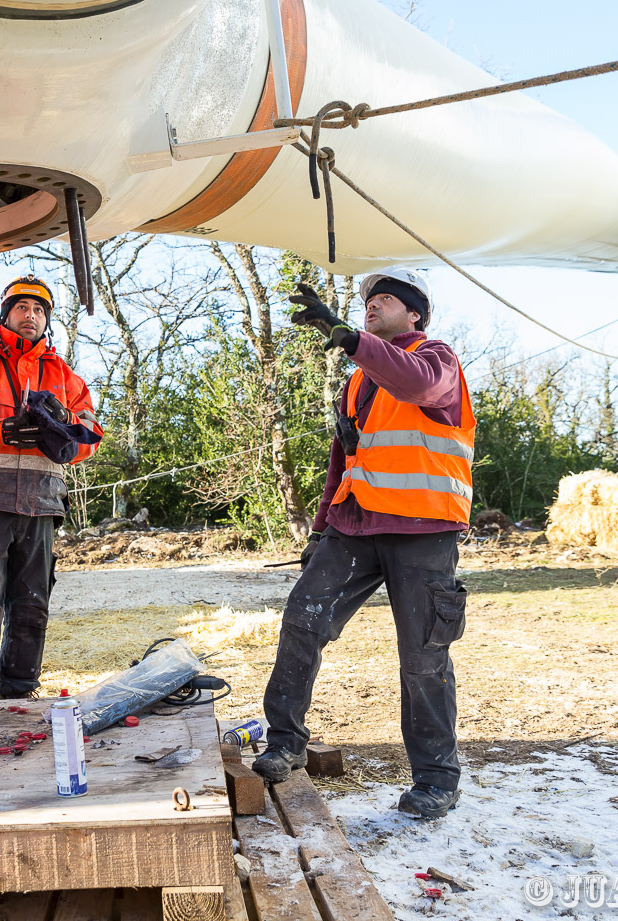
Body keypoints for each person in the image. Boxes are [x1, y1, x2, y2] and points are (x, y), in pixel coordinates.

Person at [254, 268, 474, 820]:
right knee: (303, 619)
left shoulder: (438, 360)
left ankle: (436, 779)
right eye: (367, 302)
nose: (371, 307)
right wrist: (320, 529)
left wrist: (353, 338)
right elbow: (344, 460)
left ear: (414, 313)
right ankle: (285, 743)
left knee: (423, 655)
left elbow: (416, 385)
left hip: (423, 529)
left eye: (384, 301)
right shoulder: (357, 380)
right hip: (354, 527)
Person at [0, 275, 103, 702]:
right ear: (6, 314)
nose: (32, 316)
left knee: (32, 605)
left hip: (41, 503)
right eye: (23, 308)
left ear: (48, 320)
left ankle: (20, 695)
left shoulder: (65, 375)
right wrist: (2, 430)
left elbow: (91, 433)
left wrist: (62, 434)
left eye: (40, 310)